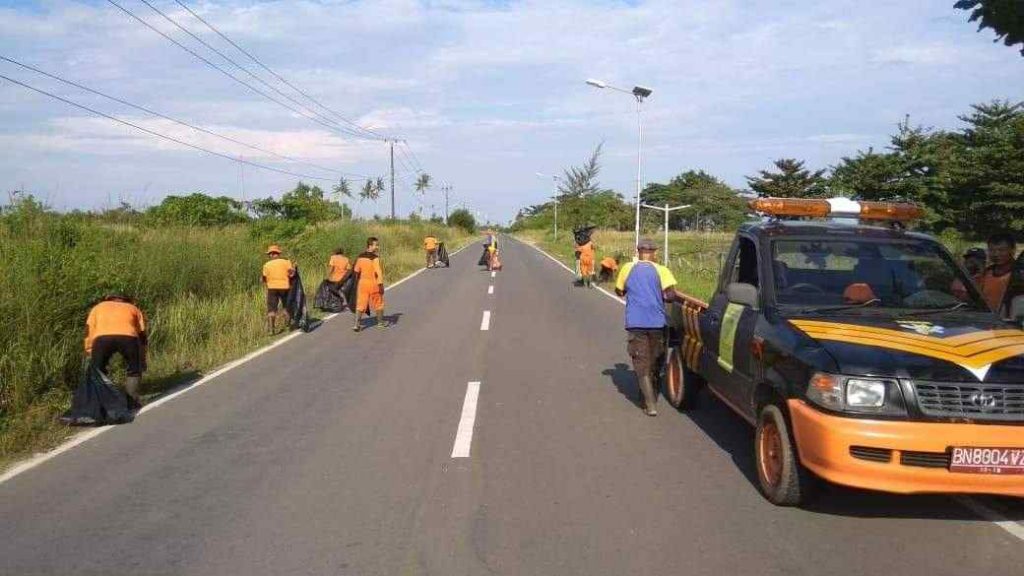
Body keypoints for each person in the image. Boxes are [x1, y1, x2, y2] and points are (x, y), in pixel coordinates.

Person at [615, 239, 685, 417]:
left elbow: (619, 291)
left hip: (636, 322)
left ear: (638, 252)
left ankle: (650, 404)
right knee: (655, 361)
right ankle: (651, 398)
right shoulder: (662, 270)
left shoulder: (627, 268)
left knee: (641, 363)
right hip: (657, 323)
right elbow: (670, 295)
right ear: (654, 253)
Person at [84, 294, 147, 407]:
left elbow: (89, 330)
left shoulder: (98, 307)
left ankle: (99, 404)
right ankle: (132, 402)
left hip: (102, 339)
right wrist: (142, 359)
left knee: (98, 371)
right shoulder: (133, 308)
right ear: (126, 300)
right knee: (134, 370)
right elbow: (142, 335)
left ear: (108, 299)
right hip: (128, 338)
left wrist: (89, 349)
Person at [353, 237, 388, 331]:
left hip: (362, 284)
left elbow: (356, 271)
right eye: (376, 245)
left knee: (361, 304)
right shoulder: (375, 258)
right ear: (370, 246)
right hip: (373, 283)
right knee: (378, 303)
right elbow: (378, 272)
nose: (377, 247)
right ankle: (380, 323)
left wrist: (356, 284)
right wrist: (381, 285)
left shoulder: (360, 257)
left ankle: (357, 325)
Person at [977, 233, 1016, 314]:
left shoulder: (1019, 273)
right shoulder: (986, 273)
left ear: (1012, 250)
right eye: (992, 250)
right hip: (987, 319)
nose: (996, 254)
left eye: (1001, 250)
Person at [262, 244, 295, 334]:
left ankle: (271, 329)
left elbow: (264, 279)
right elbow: (292, 274)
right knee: (286, 307)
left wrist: (266, 283)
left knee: (271, 309)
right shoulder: (286, 262)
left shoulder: (266, 265)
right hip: (285, 287)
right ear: (278, 253)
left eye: (269, 254)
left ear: (272, 254)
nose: (269, 256)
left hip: (272, 288)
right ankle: (288, 326)